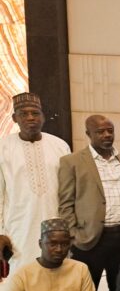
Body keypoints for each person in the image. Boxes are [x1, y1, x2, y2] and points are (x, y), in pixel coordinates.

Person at [58, 115, 120, 291]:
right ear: (88, 134)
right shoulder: (72, 162)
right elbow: (65, 203)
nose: (106, 135)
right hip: (90, 238)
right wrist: (74, 235)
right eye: (100, 132)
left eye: (110, 131)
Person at [0, 93, 70, 276]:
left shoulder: (60, 146)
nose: (30, 118)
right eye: (23, 114)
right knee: (23, 275)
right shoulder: (3, 148)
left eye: (35, 113)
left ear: (43, 116)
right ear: (14, 118)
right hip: (19, 228)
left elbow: (69, 191)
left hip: (56, 224)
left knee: (57, 275)